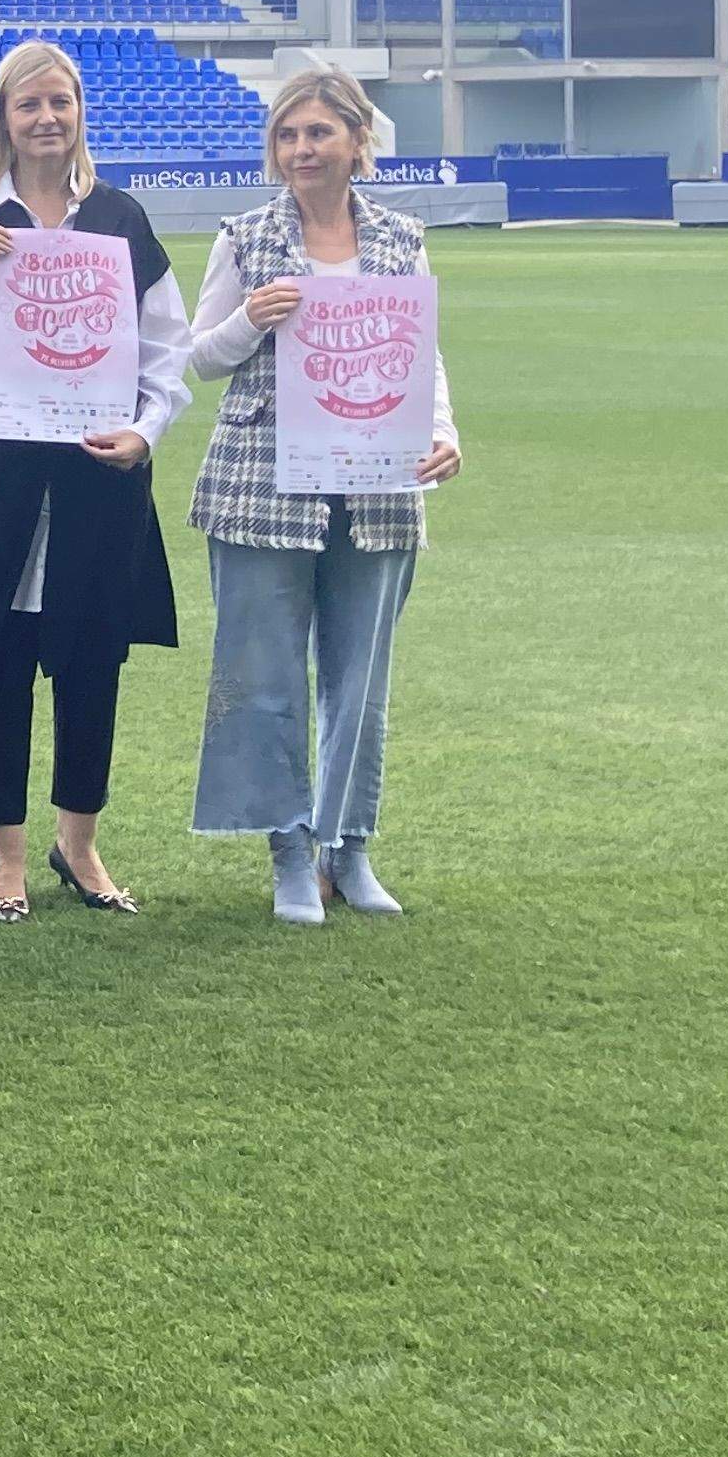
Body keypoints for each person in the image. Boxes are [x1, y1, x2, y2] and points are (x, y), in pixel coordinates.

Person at [0, 39, 190, 922]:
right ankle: (6, 858)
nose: (47, 119)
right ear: (5, 119)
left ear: (78, 113)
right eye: (29, 106)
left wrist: (144, 433)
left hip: (100, 474)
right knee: (2, 656)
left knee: (93, 655)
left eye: (60, 102)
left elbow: (167, 352)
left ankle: (81, 845)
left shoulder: (119, 218)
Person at [185, 64, 462, 924]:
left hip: (377, 486)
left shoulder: (400, 239)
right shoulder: (245, 235)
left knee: (361, 677)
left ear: (356, 141)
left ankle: (351, 846)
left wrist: (446, 430)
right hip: (262, 482)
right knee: (263, 673)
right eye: (289, 135)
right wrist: (251, 319)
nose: (302, 149)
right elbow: (199, 357)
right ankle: (289, 851)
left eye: (319, 133)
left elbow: (423, 354)